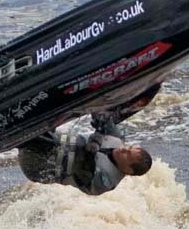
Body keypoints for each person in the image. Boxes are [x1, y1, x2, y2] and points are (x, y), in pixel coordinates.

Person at [17, 84, 161, 196]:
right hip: (48, 139)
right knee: (53, 120)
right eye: (129, 148)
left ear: (128, 170)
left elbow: (83, 172)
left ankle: (17, 130)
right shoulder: (116, 138)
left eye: (127, 155)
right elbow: (103, 117)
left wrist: (93, 149)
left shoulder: (106, 182)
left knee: (71, 147)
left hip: (39, 167)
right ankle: (26, 97)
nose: (124, 149)